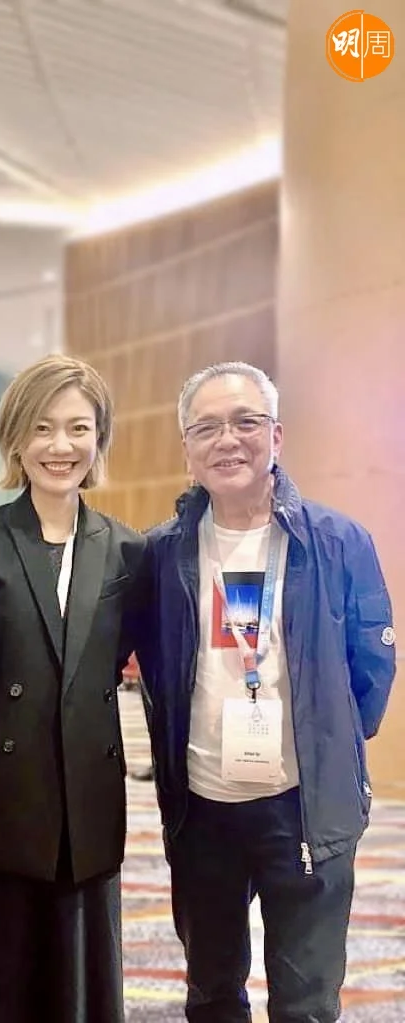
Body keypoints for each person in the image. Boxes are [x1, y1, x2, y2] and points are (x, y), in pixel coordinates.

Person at [134, 361, 396, 1023]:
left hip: (303, 807)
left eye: (246, 422)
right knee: (212, 994)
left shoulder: (337, 543)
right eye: (207, 428)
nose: (228, 440)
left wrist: (327, 741)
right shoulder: (160, 554)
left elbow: (371, 668)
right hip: (202, 808)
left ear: (276, 435)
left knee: (305, 1004)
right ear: (187, 449)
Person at [0, 353, 146, 1023]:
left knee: (79, 972)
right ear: (16, 438)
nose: (60, 446)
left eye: (78, 428)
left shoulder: (127, 550)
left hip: (86, 788)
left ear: (99, 438)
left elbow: (107, 663)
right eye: (42, 427)